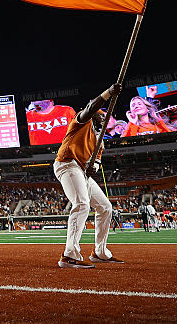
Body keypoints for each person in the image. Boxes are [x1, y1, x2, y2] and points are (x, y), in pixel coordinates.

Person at [53, 84, 123, 268]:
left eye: (106, 117)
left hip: (81, 171)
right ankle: (69, 255)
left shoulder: (100, 142)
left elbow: (96, 163)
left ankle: (100, 252)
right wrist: (108, 93)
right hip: (67, 164)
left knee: (105, 207)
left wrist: (94, 168)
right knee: (82, 204)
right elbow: (91, 107)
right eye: (101, 115)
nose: (104, 117)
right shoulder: (81, 122)